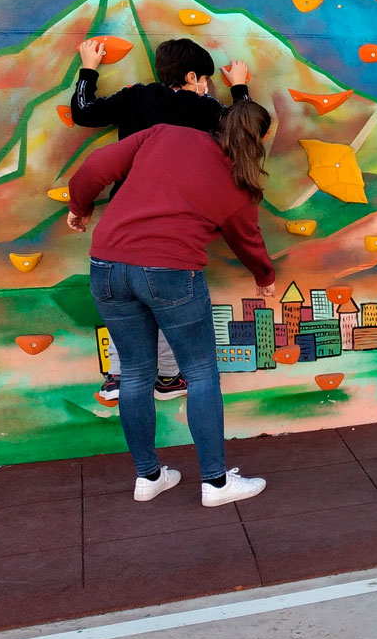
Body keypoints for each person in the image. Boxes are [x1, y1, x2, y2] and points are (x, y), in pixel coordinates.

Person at [67, 98, 276, 506]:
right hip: (171, 272)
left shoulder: (165, 133)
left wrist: (80, 206)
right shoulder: (240, 184)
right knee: (200, 373)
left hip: (107, 264)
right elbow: (248, 240)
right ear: (261, 138)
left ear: (219, 123)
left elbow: (94, 168)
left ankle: (148, 477)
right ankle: (215, 484)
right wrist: (265, 277)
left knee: (135, 373)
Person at [70, 36, 250, 405]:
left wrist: (89, 67)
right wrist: (240, 89)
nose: (208, 86)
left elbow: (83, 112)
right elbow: (246, 129)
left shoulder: (136, 97)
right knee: (172, 302)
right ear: (191, 76)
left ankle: (119, 376)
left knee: (125, 307)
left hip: (124, 219)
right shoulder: (205, 108)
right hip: (180, 225)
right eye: (206, 79)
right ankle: (168, 377)